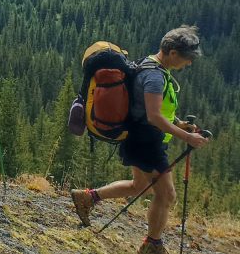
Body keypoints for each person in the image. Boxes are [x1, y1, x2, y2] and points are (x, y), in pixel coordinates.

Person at [71, 26, 209, 254]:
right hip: (146, 142)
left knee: (141, 186)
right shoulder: (155, 76)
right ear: (173, 52)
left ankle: (88, 198)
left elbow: (151, 108)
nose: (189, 63)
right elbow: (153, 116)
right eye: (187, 58)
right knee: (167, 194)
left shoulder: (150, 65)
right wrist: (187, 137)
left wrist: (179, 123)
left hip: (139, 138)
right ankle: (152, 245)